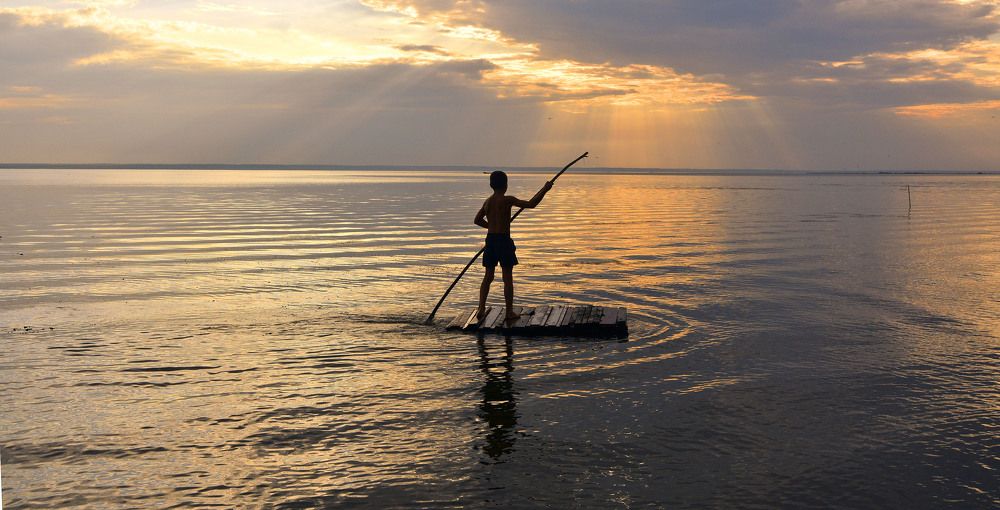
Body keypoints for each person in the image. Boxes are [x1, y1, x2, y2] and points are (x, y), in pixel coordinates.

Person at [474, 170, 552, 323]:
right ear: (506, 185)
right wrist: (545, 189)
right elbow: (531, 204)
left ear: (491, 185)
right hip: (503, 241)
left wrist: (492, 226)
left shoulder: (487, 202)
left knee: (488, 277)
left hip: (491, 240)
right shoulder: (507, 200)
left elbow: (477, 220)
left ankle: (481, 308)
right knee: (507, 278)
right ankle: (509, 312)